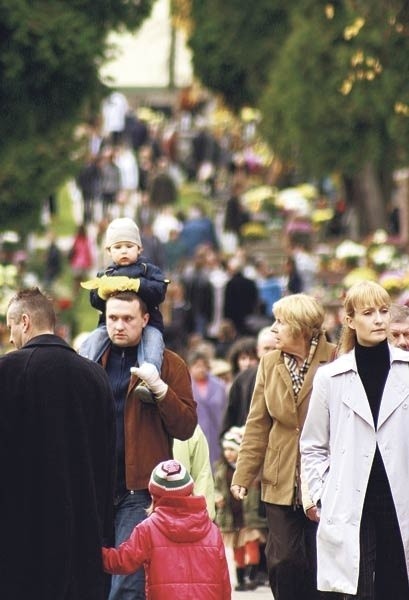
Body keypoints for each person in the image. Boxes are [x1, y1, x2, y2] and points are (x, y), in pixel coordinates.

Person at [0, 287, 116, 600]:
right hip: (82, 536)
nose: (10, 338)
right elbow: (108, 461)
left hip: (20, 538)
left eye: (10, 327)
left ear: (24, 322)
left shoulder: (7, 372)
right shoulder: (94, 376)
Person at [83, 288, 197, 600]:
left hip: (140, 491)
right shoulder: (90, 364)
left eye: (127, 319)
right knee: (91, 578)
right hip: (94, 488)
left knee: (127, 585)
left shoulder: (169, 365)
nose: (119, 325)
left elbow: (186, 426)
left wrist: (160, 391)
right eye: (112, 318)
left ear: (145, 319)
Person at [300, 281, 409, 598]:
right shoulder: (329, 378)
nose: (379, 320)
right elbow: (313, 445)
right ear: (349, 320)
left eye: (384, 311)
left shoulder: (406, 371)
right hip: (350, 500)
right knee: (356, 591)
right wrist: (323, 492)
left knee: (397, 586)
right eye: (368, 312)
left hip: (398, 497)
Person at [230, 293, 336, 600]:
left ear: (302, 328)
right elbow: (257, 424)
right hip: (280, 478)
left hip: (323, 478)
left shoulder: (336, 359)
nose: (273, 328)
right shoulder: (269, 363)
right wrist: (243, 475)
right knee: (284, 561)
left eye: (281, 322)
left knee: (320, 561)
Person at [102, 459, 231, 600]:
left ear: (154, 496)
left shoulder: (148, 529)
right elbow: (223, 578)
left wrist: (93, 553)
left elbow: (123, 561)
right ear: (190, 490)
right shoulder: (211, 530)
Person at [80, 217, 169, 403]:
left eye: (129, 246)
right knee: (93, 339)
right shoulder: (105, 274)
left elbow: (160, 291)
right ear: (109, 251)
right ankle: (82, 370)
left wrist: (137, 285)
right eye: (118, 247)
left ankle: (149, 379)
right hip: (109, 323)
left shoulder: (147, 270)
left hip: (148, 322)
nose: (124, 251)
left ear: (139, 248)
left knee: (154, 342)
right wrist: (102, 293)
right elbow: (94, 300)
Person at [214, 426, 267, 592]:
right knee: (237, 548)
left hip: (248, 516)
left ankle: (252, 575)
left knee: (251, 544)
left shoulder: (251, 469)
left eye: (232, 449)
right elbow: (216, 486)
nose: (229, 453)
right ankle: (240, 577)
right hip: (231, 516)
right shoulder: (222, 469)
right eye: (226, 449)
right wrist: (217, 497)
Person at [173, 423, 216, 520]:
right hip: (141, 510)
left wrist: (204, 519)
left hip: (184, 515)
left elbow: (202, 476)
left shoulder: (188, 425)